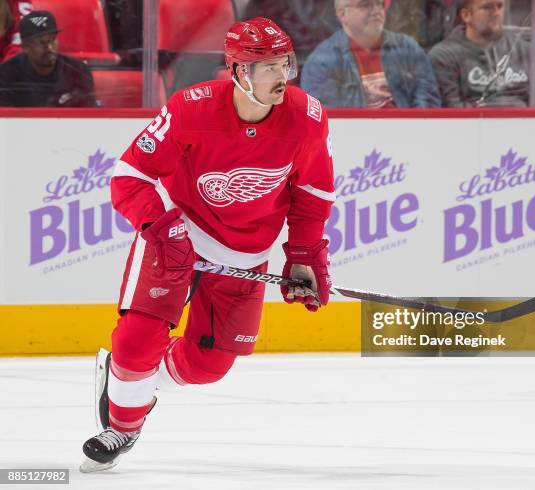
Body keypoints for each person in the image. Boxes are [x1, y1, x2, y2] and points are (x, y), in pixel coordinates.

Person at [79, 17, 335, 472]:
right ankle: (122, 426)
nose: (283, 77)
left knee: (208, 365)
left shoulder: (307, 118)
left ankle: (131, 382)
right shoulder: (190, 109)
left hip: (246, 252)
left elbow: (311, 194)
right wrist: (162, 227)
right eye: (269, 67)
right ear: (239, 71)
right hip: (179, 234)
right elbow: (129, 176)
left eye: (285, 64)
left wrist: (303, 255)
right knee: (137, 341)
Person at [300, 0, 440, 108]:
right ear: (342, 14)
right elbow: (325, 117)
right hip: (352, 139)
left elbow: (428, 103)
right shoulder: (321, 61)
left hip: (409, 136)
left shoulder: (408, 48)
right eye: (365, 4)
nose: (376, 11)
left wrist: (414, 132)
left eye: (379, 3)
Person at [428, 0, 535, 107]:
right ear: (466, 15)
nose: (497, 13)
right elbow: (452, 112)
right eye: (487, 7)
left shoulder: (522, 49)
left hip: (527, 128)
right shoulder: (443, 56)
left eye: (499, 6)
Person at [0, 10, 95, 107]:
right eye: (41, 42)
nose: (49, 47)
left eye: (52, 39)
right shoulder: (5, 75)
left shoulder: (78, 72)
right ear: (25, 47)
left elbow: (90, 117)